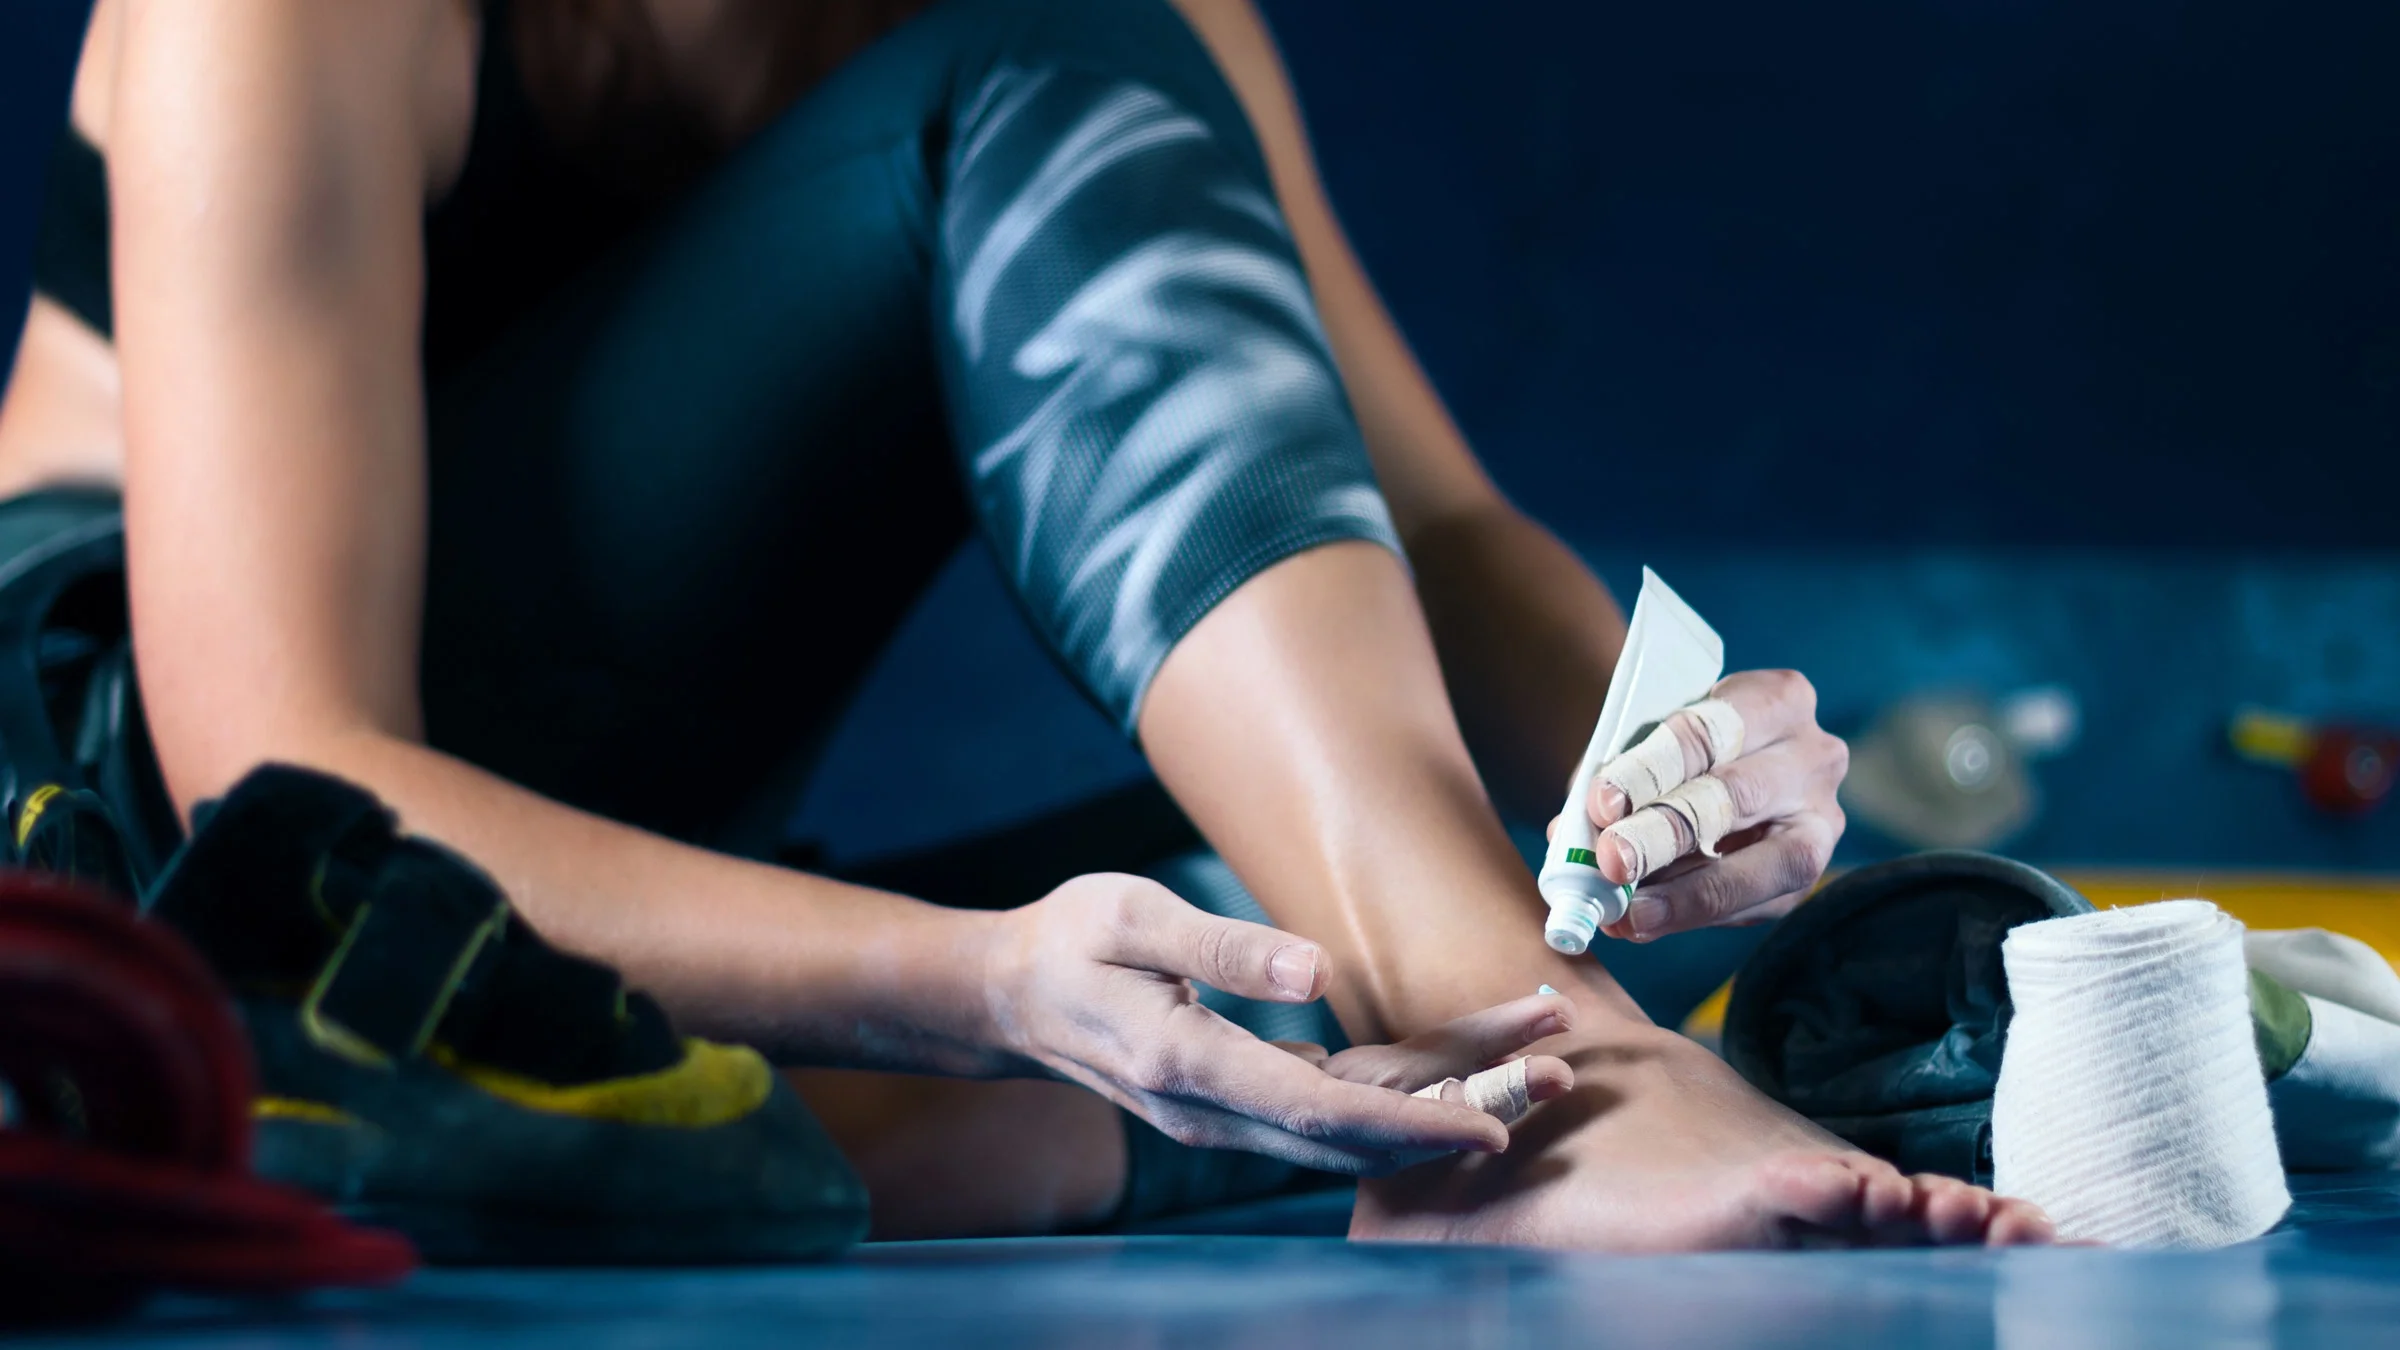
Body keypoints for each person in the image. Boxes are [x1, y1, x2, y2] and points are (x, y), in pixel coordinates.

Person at [0, 0, 2049, 1247]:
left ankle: (929, 1120)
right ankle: (1544, 1096)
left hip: (573, 844)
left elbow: (1415, 523)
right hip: (144, 858)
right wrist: (981, 983)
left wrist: (1675, 758)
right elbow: (285, 790)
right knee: (1221, 991)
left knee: (1284, 935)